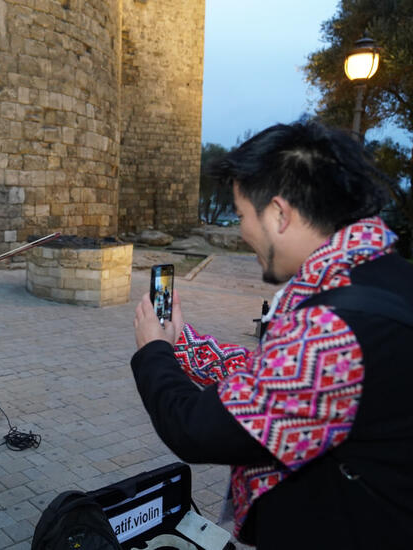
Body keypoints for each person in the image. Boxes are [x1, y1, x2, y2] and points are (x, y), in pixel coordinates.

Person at [130, 120, 413, 549]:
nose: (243, 233)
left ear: (280, 213)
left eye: (243, 215)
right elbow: (275, 379)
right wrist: (183, 343)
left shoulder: (332, 328)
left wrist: (153, 351)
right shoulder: (379, 276)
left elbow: (195, 429)